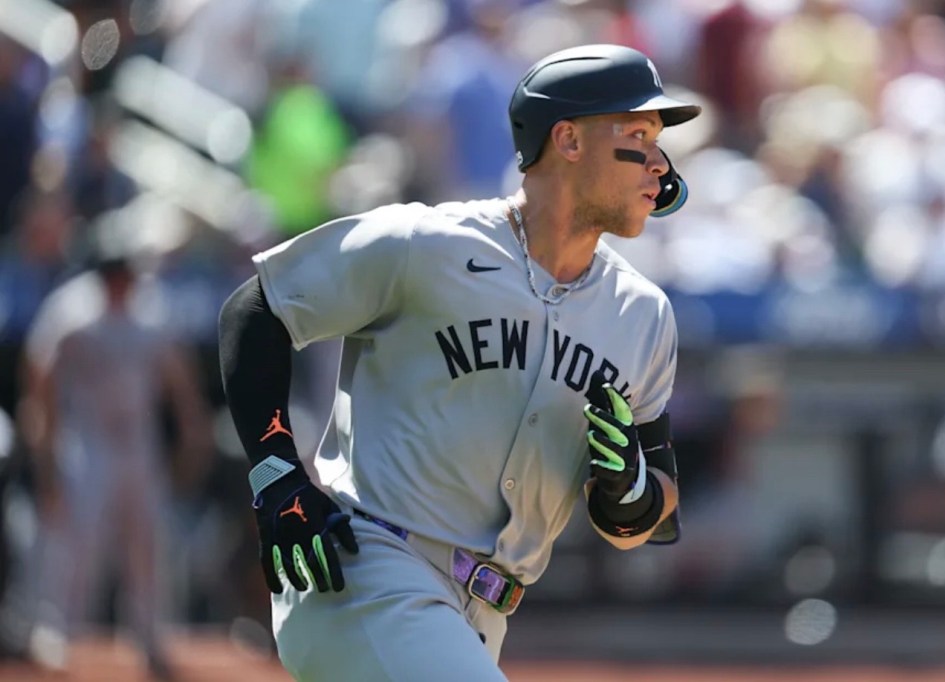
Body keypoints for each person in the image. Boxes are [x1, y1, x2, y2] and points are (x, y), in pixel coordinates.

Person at [218, 43, 700, 680]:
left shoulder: (643, 314)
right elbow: (257, 309)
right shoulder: (427, 244)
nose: (659, 162)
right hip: (368, 573)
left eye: (658, 140)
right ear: (568, 140)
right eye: (638, 135)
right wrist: (276, 474)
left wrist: (630, 492)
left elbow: (652, 512)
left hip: (481, 617)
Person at [19, 233, 212, 678]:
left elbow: (178, 373)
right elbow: (40, 377)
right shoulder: (71, 310)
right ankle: (56, 632)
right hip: (86, 438)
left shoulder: (152, 309)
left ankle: (149, 636)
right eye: (114, 274)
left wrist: (191, 428)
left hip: (139, 438)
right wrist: (43, 448)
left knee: (147, 540)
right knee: (79, 539)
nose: (121, 283)